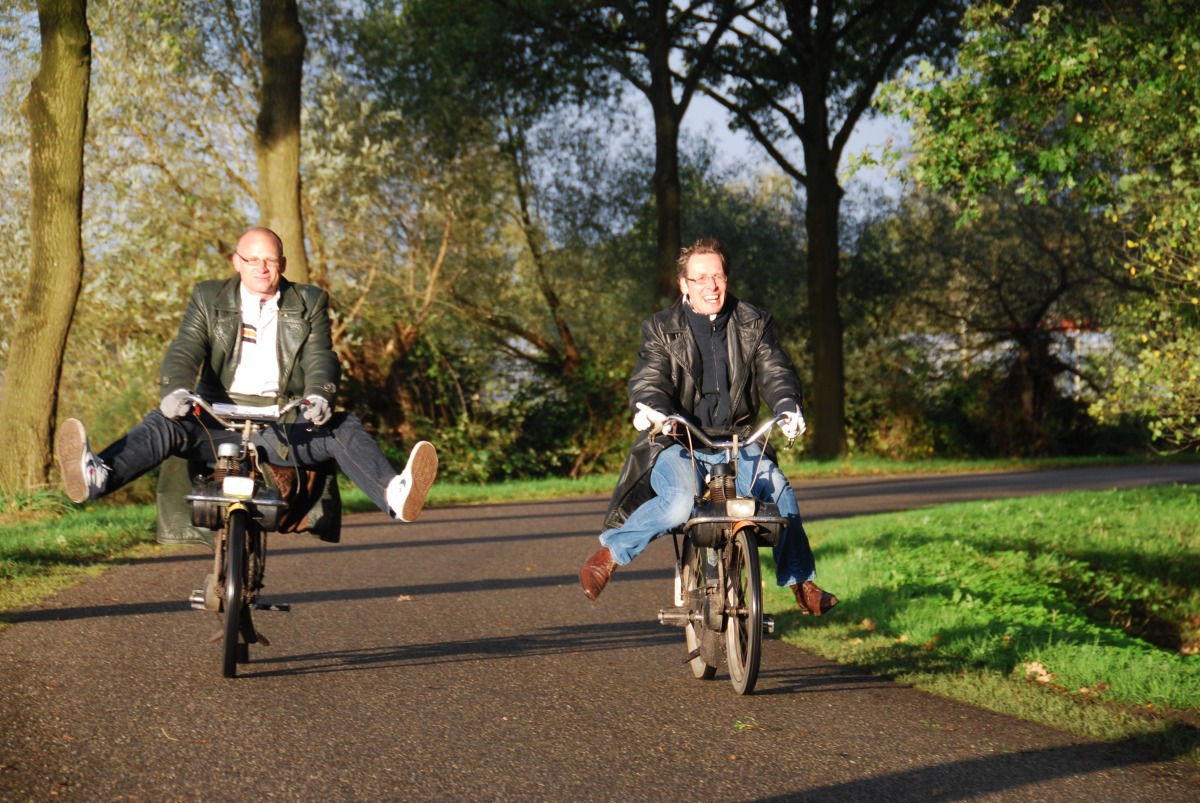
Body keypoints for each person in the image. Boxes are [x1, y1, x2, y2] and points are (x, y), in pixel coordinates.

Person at [55, 226, 438, 524]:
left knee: (342, 428)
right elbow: (186, 348)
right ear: (237, 262)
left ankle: (394, 493)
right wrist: (177, 389)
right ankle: (97, 475)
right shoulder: (208, 297)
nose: (262, 267)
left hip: (282, 423)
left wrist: (320, 393)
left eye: (270, 259)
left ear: (282, 264)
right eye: (252, 259)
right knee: (162, 425)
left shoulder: (310, 302)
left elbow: (321, 355)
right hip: (214, 418)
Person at [579, 237, 838, 615]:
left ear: (727, 279)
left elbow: (775, 370)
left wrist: (786, 407)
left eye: (717, 277)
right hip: (679, 441)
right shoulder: (660, 328)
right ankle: (610, 553)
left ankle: (801, 582)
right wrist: (654, 410)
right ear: (684, 284)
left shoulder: (754, 322)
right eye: (700, 279)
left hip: (738, 442)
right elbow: (650, 379)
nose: (711, 287)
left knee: (779, 489)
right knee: (680, 504)